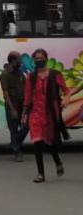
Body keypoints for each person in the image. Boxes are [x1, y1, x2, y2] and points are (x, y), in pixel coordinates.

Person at [22, 49, 70, 183]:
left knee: (49, 142)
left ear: (46, 59)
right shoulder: (31, 77)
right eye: (36, 59)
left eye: (41, 58)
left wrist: (66, 98)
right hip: (35, 113)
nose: (38, 61)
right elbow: (27, 97)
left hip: (50, 113)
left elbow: (66, 91)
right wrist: (24, 113)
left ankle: (58, 161)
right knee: (37, 142)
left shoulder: (55, 75)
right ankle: (40, 174)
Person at [0, 51, 28, 161]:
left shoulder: (20, 73)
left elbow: (26, 89)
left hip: (22, 104)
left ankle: (14, 143)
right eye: (18, 59)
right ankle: (17, 152)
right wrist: (12, 109)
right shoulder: (5, 75)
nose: (20, 61)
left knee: (27, 125)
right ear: (12, 60)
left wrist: (26, 107)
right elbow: (5, 94)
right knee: (14, 129)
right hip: (12, 105)